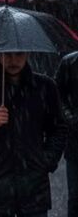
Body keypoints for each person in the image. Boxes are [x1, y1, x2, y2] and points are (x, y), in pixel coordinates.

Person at [0, 52, 68, 216]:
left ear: (28, 53)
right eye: (7, 54)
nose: (13, 60)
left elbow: (58, 128)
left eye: (19, 54)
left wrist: (47, 160)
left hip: (33, 186)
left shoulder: (45, 87)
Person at [56, 51, 78, 215]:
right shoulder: (69, 63)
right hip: (76, 142)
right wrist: (70, 116)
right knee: (75, 197)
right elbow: (57, 95)